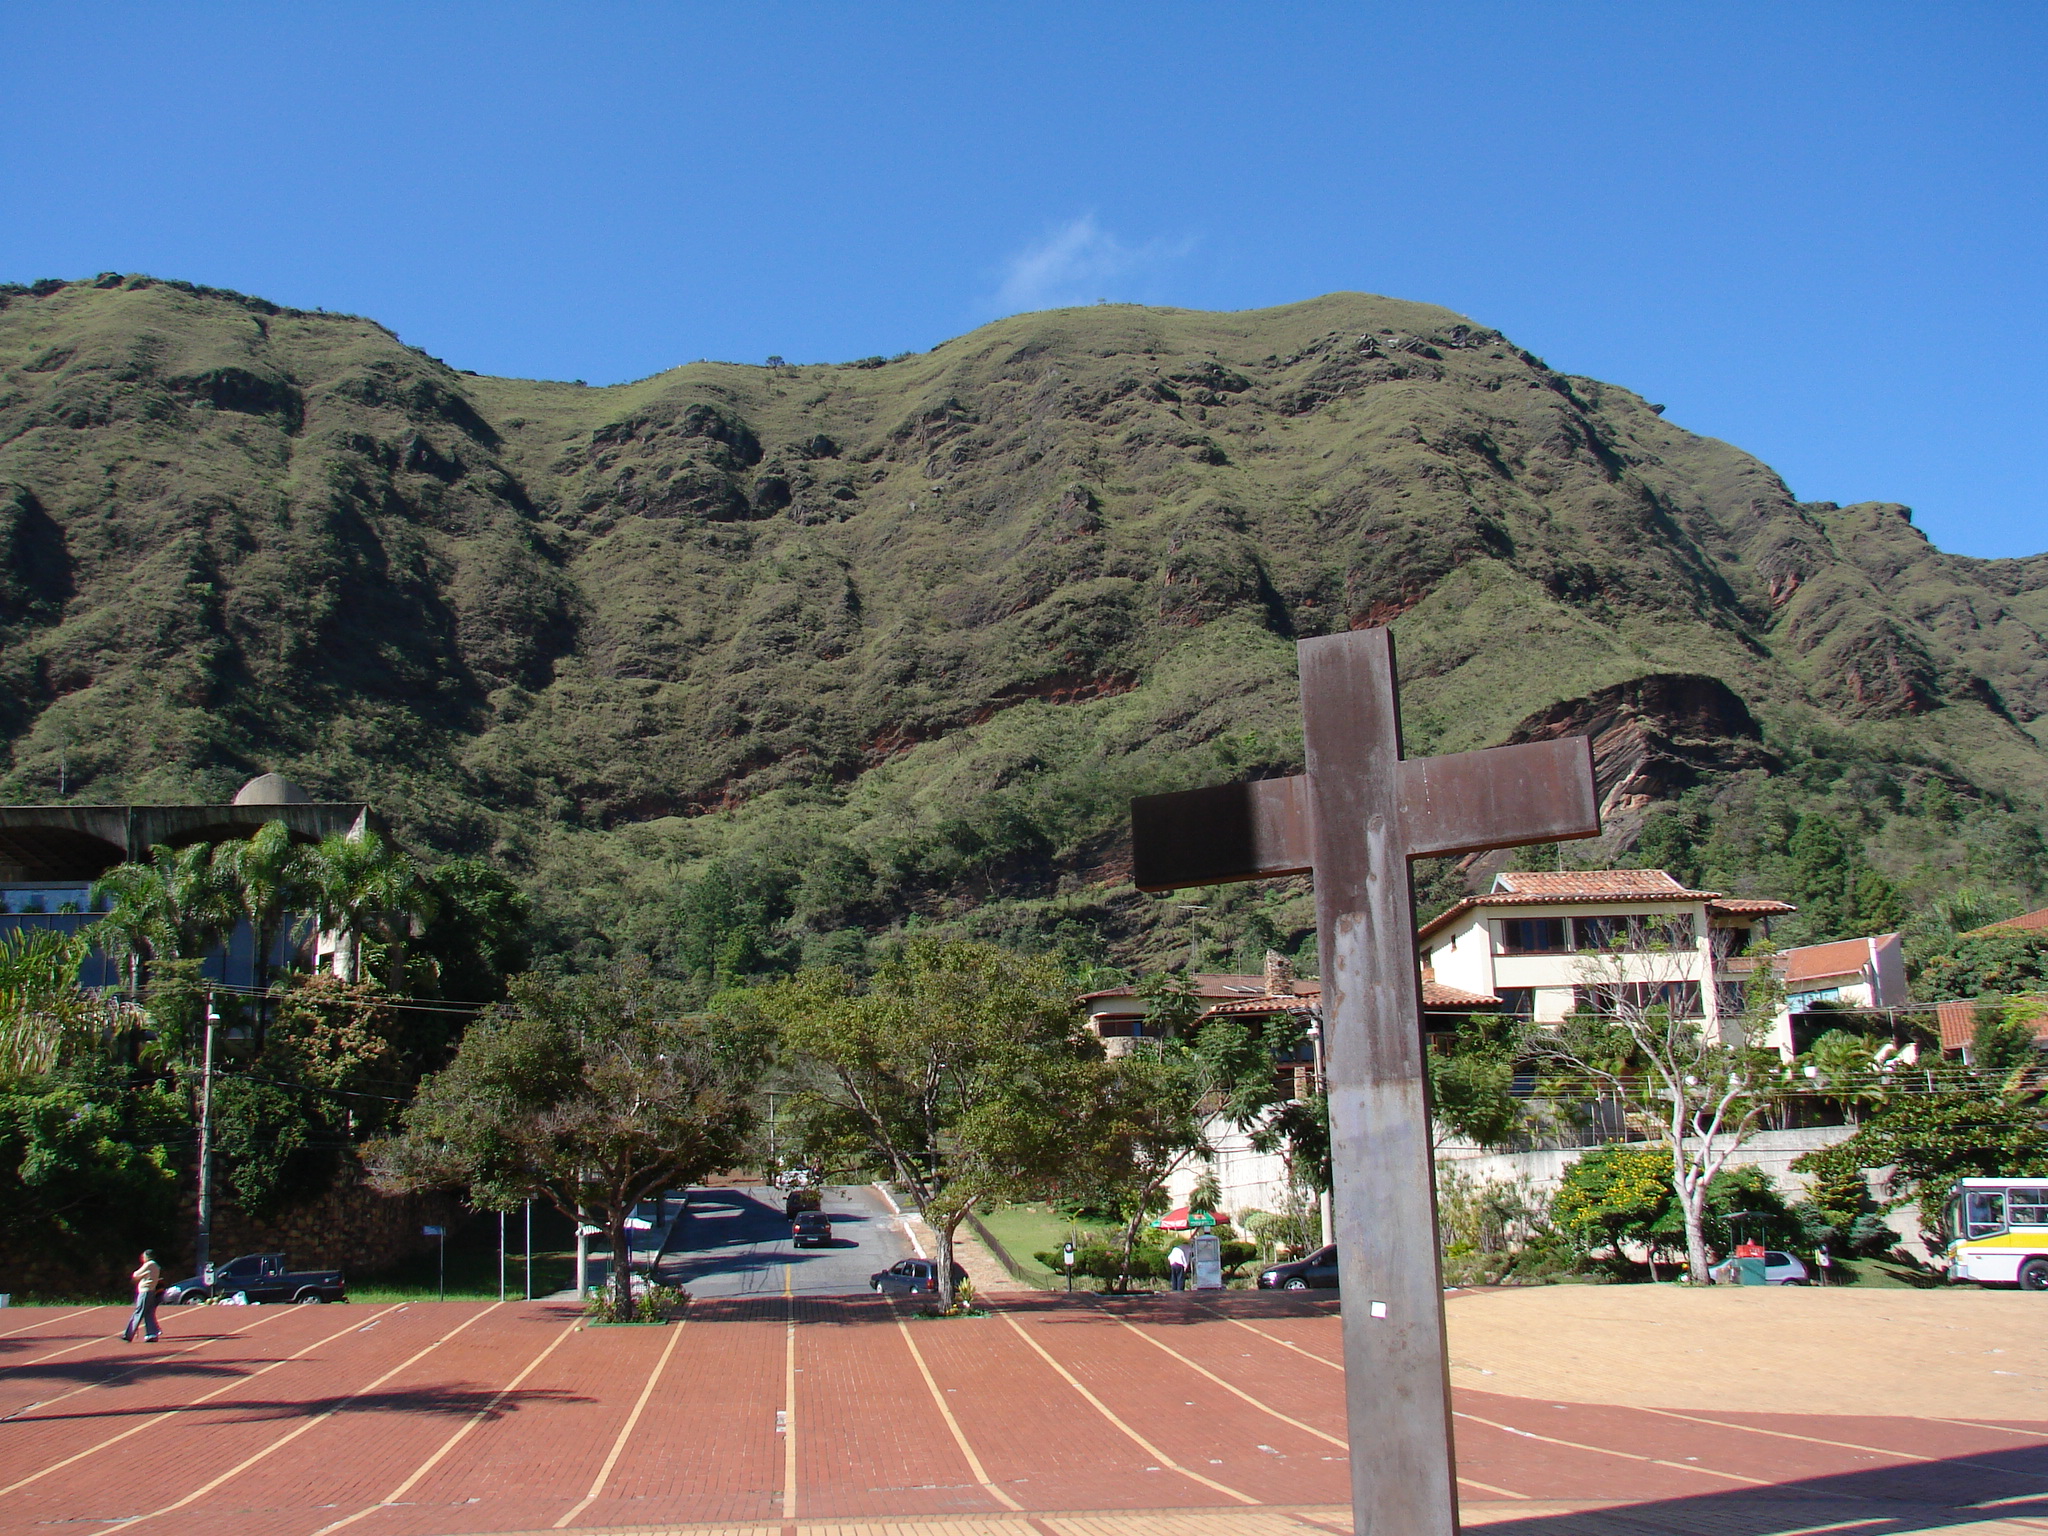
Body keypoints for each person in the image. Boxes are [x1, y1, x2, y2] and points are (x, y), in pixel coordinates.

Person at [123, 1250, 162, 1344]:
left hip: (145, 1291)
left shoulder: (149, 1264)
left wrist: (139, 1276)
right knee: (148, 1313)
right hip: (151, 1291)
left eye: (144, 1257)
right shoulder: (156, 1266)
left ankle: (128, 1334)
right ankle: (152, 1334)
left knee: (139, 1312)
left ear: (147, 1257)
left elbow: (136, 1274)